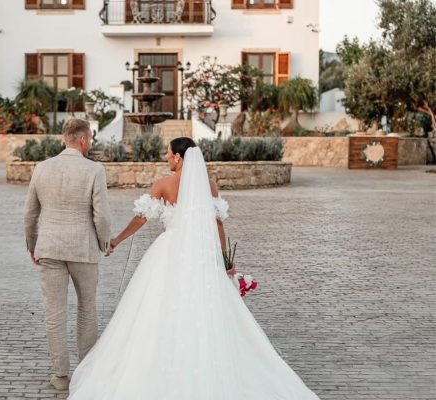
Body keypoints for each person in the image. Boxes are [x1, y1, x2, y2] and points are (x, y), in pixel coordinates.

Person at [67, 137, 320, 399]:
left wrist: (118, 240)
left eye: (168, 153)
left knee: (157, 308)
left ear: (178, 157)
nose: (166, 158)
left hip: (169, 252)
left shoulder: (164, 185)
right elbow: (218, 224)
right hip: (202, 255)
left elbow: (142, 218)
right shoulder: (209, 185)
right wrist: (226, 260)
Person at [24, 118, 111, 390]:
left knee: (54, 312)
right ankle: (86, 371)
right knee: (87, 308)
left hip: (49, 248)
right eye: (91, 138)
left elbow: (30, 214)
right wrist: (103, 242)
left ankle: (61, 376)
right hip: (82, 249)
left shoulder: (42, 168)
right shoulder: (94, 170)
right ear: (84, 139)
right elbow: (102, 217)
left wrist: (32, 245)